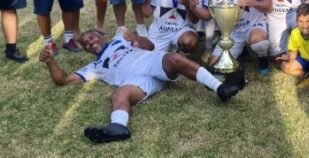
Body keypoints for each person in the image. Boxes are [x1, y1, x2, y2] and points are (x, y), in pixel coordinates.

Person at [38, 28, 239, 144]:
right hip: (136, 80)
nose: (90, 43)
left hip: (150, 61)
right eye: (86, 44)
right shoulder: (95, 66)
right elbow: (63, 80)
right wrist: (50, 62)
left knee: (175, 58)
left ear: (100, 36)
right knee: (118, 95)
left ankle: (219, 88)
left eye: (91, 38)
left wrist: (135, 38)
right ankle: (118, 128)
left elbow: (150, 47)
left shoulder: (119, 40)